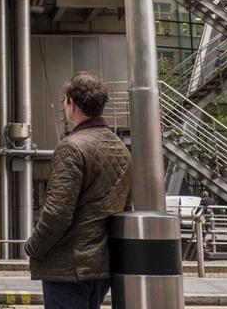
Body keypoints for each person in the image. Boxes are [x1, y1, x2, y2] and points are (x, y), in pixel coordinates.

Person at [25, 73, 133, 309]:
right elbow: (125, 207)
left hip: (69, 266)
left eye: (65, 101)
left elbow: (57, 213)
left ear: (71, 103)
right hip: (101, 265)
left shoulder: (71, 148)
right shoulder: (121, 149)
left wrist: (32, 246)